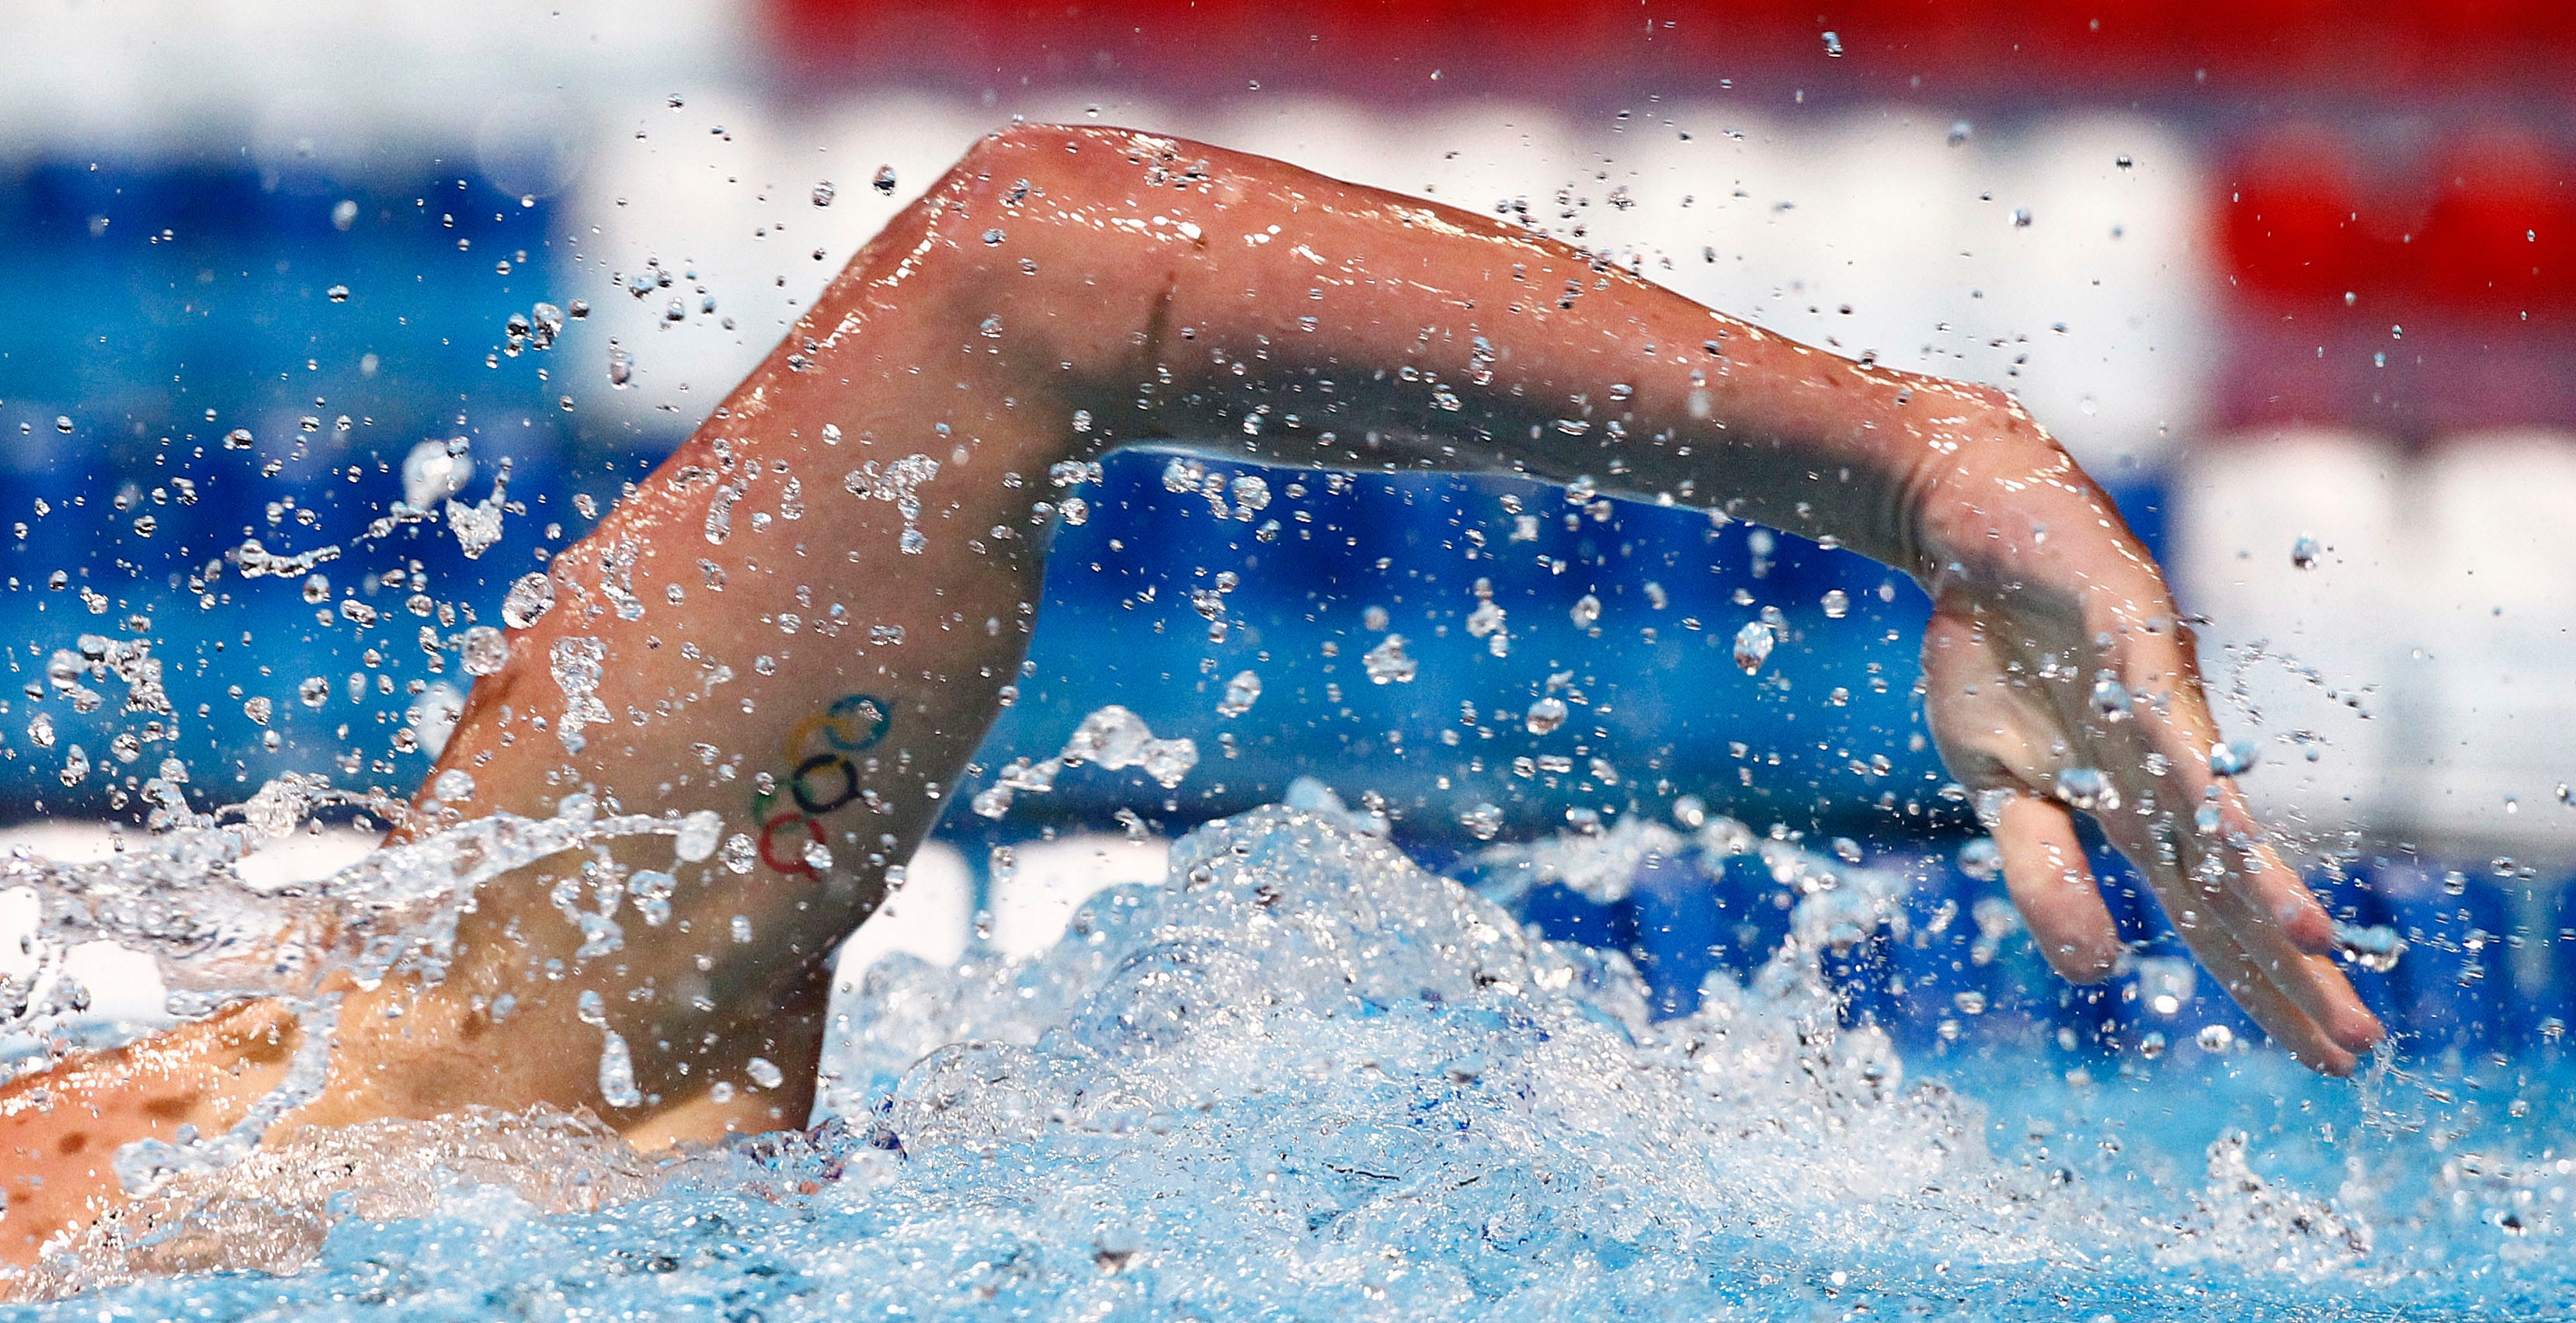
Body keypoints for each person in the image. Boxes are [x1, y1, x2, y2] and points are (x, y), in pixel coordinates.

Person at [0, 123, 2384, 1262]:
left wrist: (1927, 464)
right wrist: (1910, 466)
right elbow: (1031, 278)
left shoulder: (241, 1178)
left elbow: (1033, 282)